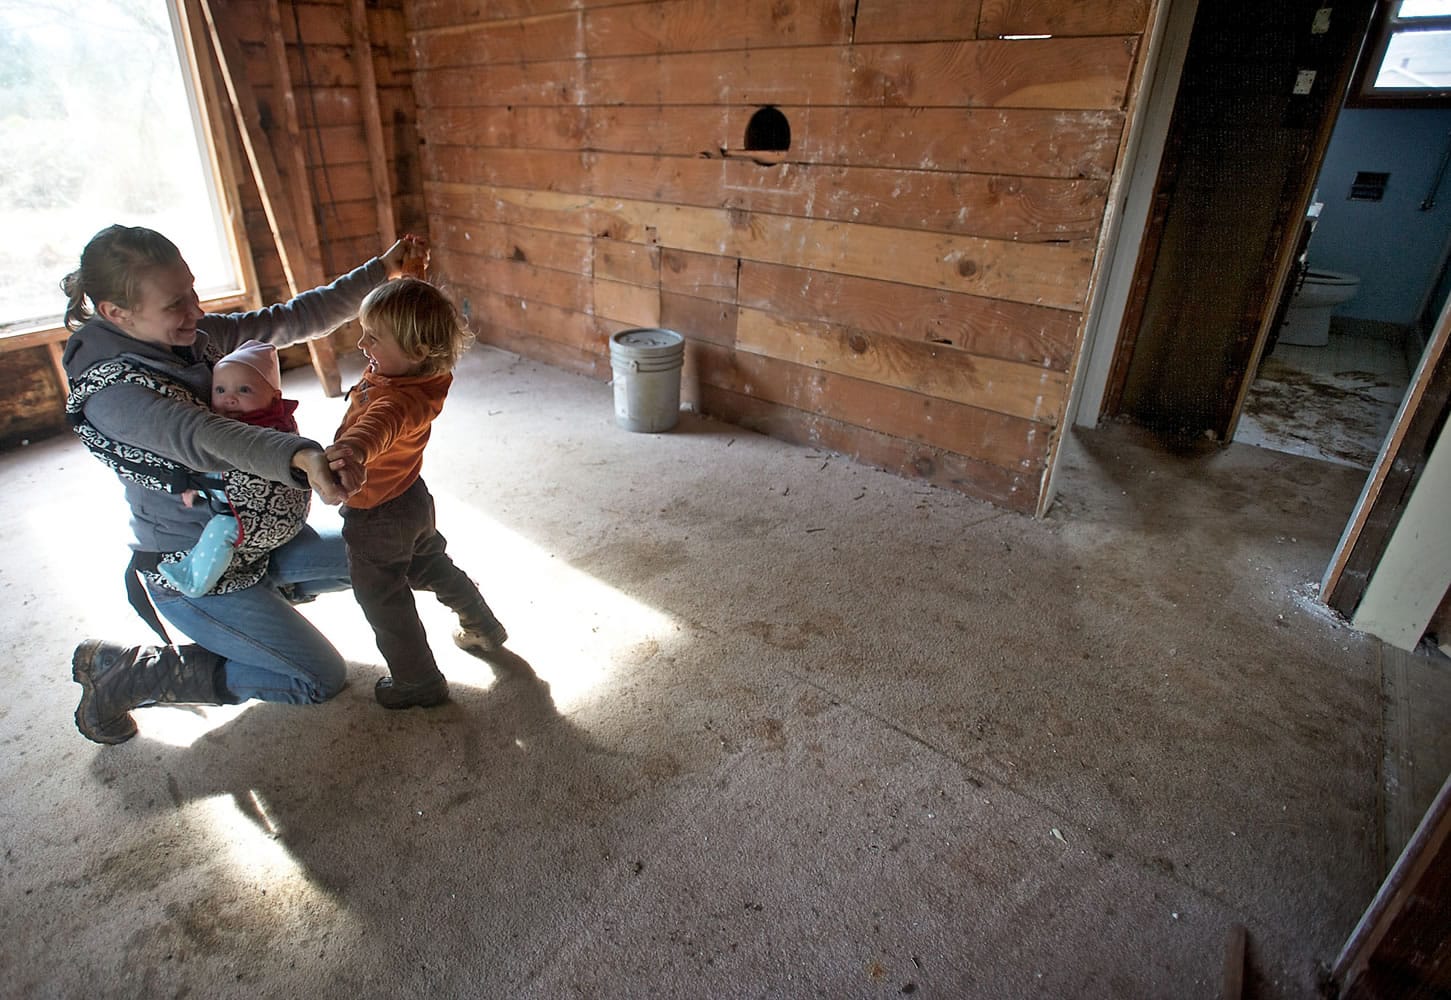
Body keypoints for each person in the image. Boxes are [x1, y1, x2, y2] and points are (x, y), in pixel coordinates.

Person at [61, 223, 425, 744]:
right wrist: (300, 455)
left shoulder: (190, 335)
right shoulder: (112, 392)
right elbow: (204, 436)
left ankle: (266, 600)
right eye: (174, 303)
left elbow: (289, 319)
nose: (194, 311)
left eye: (192, 290)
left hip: (254, 537)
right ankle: (137, 673)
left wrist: (382, 271)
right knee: (319, 678)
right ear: (117, 313)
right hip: (190, 565)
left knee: (384, 553)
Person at [325, 277, 508, 709]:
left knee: (382, 598)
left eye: (374, 336)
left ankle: (417, 680)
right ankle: (481, 624)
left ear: (418, 352)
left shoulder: (398, 402)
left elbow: (376, 426)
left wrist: (349, 450)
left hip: (377, 516)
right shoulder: (423, 373)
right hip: (411, 498)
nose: (361, 341)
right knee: (429, 564)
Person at [160, 340, 305, 597]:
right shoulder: (262, 419)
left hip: (261, 518)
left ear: (275, 397)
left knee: (220, 531)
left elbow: (226, 466)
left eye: (244, 390)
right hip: (281, 521)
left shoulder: (266, 430)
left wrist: (198, 482)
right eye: (220, 389)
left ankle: (194, 581)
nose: (230, 398)